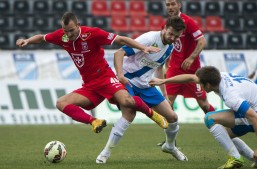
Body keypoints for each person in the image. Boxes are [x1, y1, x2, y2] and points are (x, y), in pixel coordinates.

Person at [16, 12, 168, 137]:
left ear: (78, 25)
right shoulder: (61, 36)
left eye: (71, 30)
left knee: (127, 101)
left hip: (105, 77)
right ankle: (94, 121)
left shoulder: (92, 34)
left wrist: (143, 48)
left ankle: (153, 115)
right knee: (61, 103)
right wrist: (27, 40)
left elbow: (120, 39)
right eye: (65, 31)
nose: (68, 34)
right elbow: (42, 38)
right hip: (90, 85)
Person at [96, 16, 188, 164]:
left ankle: (170, 146)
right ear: (164, 28)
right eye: (171, 34)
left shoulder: (170, 47)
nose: (172, 38)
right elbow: (119, 53)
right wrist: (120, 75)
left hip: (146, 85)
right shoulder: (149, 38)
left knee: (173, 118)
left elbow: (159, 68)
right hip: (128, 80)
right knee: (129, 114)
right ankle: (105, 152)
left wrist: (164, 94)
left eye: (176, 36)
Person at [149, 66, 257, 169]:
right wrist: (163, 81)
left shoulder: (230, 96)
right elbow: (191, 77)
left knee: (209, 118)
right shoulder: (218, 77)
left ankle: (235, 158)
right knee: (224, 135)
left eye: (200, 84)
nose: (199, 86)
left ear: (207, 85)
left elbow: (256, 118)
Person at [155, 0, 215, 146]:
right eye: (168, 5)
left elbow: (202, 41)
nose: (170, 7)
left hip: (192, 71)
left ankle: (222, 127)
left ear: (179, 5)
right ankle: (171, 141)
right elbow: (167, 46)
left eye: (173, 4)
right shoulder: (165, 25)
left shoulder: (188, 22)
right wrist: (167, 63)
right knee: (168, 104)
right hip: (174, 70)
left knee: (204, 103)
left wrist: (191, 58)